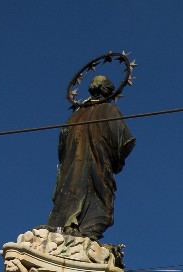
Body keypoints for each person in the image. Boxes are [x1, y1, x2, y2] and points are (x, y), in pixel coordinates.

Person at [47, 74, 134, 241]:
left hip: (72, 167)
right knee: (102, 201)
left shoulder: (74, 116)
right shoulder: (110, 110)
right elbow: (125, 141)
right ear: (107, 91)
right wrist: (117, 160)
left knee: (71, 191)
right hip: (98, 163)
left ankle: (66, 225)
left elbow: (62, 144)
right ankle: (86, 230)